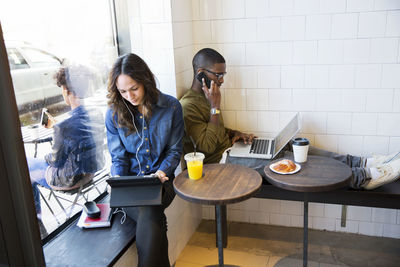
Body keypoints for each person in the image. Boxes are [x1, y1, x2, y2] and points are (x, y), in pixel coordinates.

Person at [180, 48, 400, 190]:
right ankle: (364, 178)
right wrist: (215, 107)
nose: (222, 81)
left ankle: (360, 162)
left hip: (232, 151)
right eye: (218, 75)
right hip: (220, 164)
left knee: (298, 146)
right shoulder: (189, 106)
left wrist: (234, 133)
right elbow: (207, 149)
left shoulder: (207, 97)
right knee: (290, 164)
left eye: (223, 75)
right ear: (201, 73)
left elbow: (214, 131)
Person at [105, 53, 183, 267]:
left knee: (151, 207)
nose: (129, 96)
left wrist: (162, 172)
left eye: (134, 88)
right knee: (152, 215)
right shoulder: (113, 114)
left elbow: (175, 152)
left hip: (162, 183)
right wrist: (120, 180)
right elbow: (118, 158)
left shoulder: (171, 107)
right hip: (130, 186)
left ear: (145, 80)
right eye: (122, 91)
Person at [28, 65, 105, 238]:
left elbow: (55, 161)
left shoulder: (64, 126)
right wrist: (59, 132)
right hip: (91, 172)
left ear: (65, 90)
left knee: (25, 165)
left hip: (71, 179)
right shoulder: (96, 114)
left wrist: (52, 146)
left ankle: (38, 229)